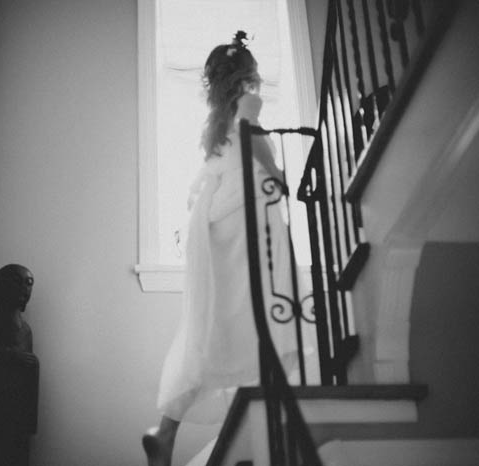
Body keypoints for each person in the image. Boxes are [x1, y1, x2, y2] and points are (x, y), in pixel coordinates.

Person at [142, 31, 298, 466]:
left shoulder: (212, 125)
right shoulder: (247, 109)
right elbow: (260, 144)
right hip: (247, 219)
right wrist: (283, 178)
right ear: (247, 76)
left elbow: (212, 176)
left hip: (219, 226)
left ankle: (167, 428)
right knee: (259, 311)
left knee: (218, 325)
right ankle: (254, 417)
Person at [0, 264, 39, 466]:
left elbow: (27, 364)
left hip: (20, 408)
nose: (24, 289)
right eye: (17, 282)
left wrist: (32, 364)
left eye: (29, 283)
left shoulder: (26, 329)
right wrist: (13, 356)